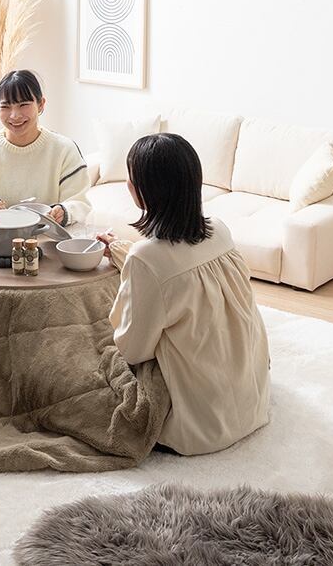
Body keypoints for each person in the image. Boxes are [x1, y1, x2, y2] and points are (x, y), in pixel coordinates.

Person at [97, 133, 270, 455]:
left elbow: (133, 350)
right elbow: (179, 273)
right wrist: (122, 251)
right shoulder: (220, 230)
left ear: (143, 189)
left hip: (200, 425)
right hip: (251, 401)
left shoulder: (146, 259)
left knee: (93, 347)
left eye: (131, 178)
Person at [0, 70, 91, 226]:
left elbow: (79, 201)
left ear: (41, 104)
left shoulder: (64, 149)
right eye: (5, 106)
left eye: (23, 105)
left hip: (49, 236)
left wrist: (64, 211)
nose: (14, 115)